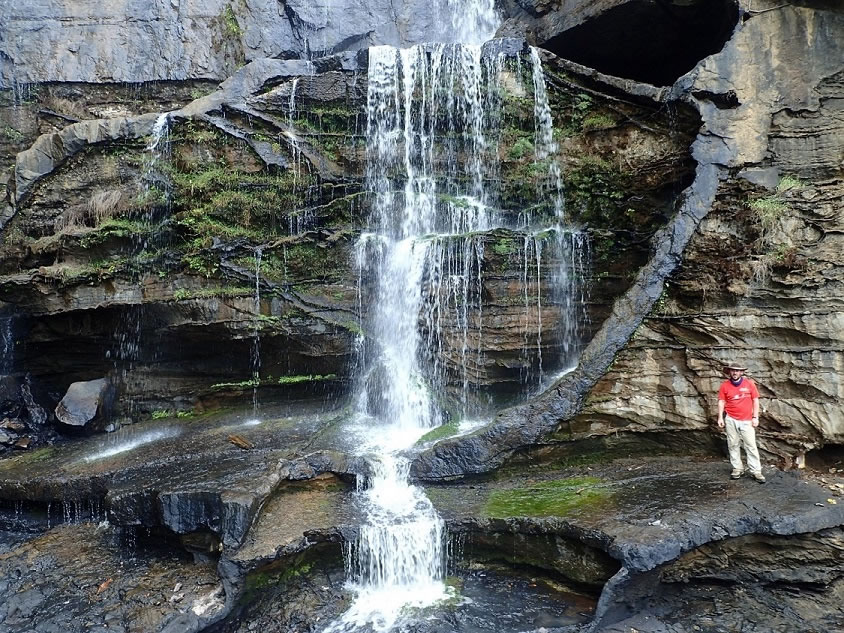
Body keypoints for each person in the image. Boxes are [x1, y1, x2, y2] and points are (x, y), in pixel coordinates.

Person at [717, 362, 765, 483]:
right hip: (731, 418)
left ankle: (756, 471)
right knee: (733, 444)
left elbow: (755, 400)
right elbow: (721, 402)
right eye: (733, 370)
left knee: (751, 446)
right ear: (729, 372)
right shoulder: (725, 386)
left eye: (737, 371)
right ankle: (737, 468)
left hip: (747, 419)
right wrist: (720, 418)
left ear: (742, 372)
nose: (735, 373)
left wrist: (755, 417)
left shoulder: (749, 384)